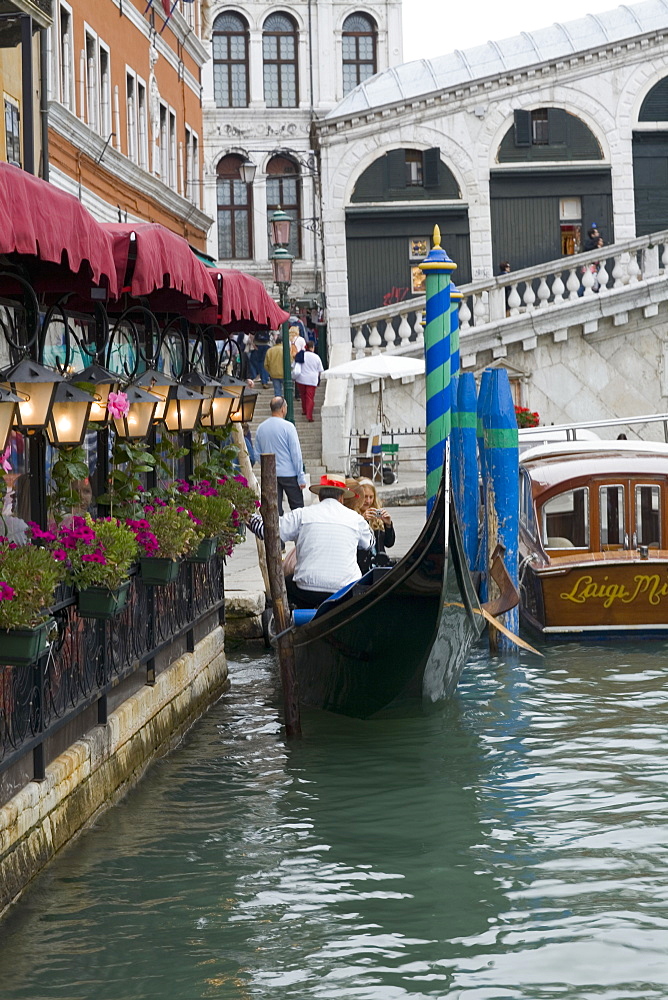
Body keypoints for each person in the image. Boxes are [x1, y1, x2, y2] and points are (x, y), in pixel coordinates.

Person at [248, 473, 374, 608]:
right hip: (345, 591)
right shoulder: (356, 519)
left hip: (307, 591)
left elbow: (267, 532)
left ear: (320, 496)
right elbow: (369, 543)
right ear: (341, 498)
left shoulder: (302, 514)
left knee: (286, 583)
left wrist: (247, 516)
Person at [254, 396, 305, 515]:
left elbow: (257, 454)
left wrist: (266, 466)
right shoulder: (288, 427)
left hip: (270, 474)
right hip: (289, 473)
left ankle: (278, 532)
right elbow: (296, 453)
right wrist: (300, 476)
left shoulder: (261, 428)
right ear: (283, 409)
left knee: (274, 509)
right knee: (297, 508)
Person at [357, 476, 396, 572]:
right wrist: (363, 520)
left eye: (371, 497)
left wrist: (388, 525)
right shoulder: (353, 515)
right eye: (365, 497)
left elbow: (389, 543)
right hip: (361, 566)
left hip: (378, 564)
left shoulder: (376, 516)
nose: (368, 501)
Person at [294, 342, 323, 421]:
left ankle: (304, 410)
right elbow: (320, 370)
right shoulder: (316, 357)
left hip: (301, 379)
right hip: (312, 380)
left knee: (303, 396)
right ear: (312, 347)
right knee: (310, 397)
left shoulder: (301, 355)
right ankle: (309, 415)